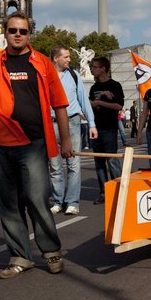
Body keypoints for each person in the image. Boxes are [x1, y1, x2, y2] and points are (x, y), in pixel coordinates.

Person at [0, 11, 74, 279]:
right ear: (5, 32)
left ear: (29, 34)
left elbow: (59, 104)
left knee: (37, 200)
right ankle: (20, 256)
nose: (17, 35)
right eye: (13, 30)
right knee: (7, 203)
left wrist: (66, 139)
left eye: (22, 31)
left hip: (33, 143)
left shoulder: (43, 64)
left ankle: (51, 252)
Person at [49, 46, 98, 215]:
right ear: (56, 58)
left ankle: (72, 202)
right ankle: (58, 201)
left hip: (72, 122)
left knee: (74, 164)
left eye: (69, 57)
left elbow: (84, 100)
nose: (69, 59)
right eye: (66, 57)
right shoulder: (45, 75)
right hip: (51, 123)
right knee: (55, 166)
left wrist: (91, 124)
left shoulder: (73, 75)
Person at [89, 56, 124, 204]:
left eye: (95, 67)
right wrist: (96, 102)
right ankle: (104, 192)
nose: (92, 69)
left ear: (103, 68)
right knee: (99, 163)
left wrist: (101, 101)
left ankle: (119, 191)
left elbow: (119, 106)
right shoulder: (94, 87)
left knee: (112, 161)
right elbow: (91, 104)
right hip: (96, 128)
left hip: (109, 128)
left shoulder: (115, 85)